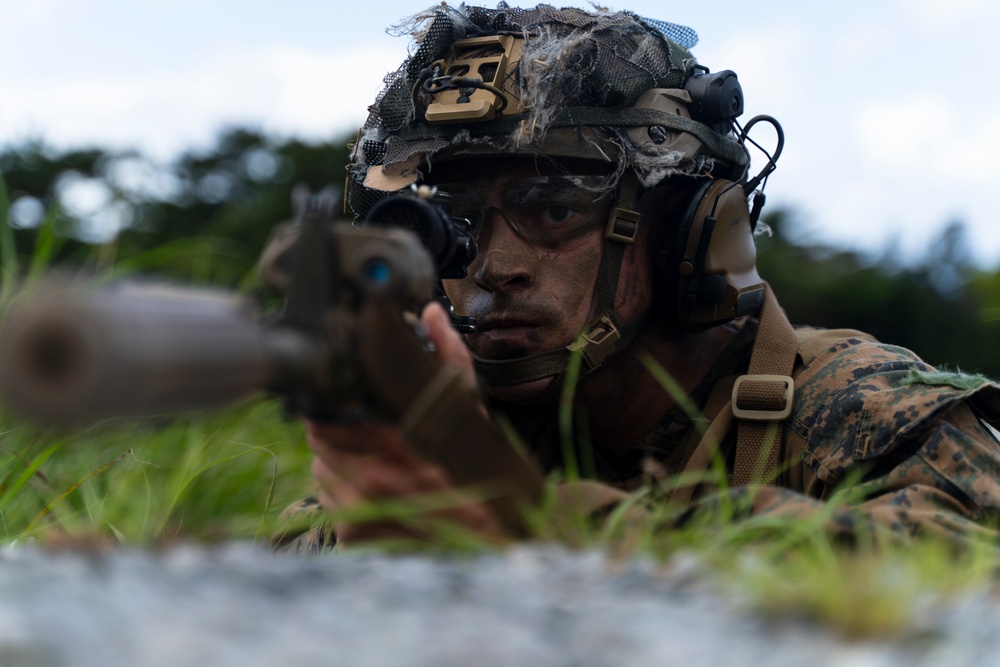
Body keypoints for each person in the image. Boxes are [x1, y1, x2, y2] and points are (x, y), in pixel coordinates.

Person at [278, 3, 1000, 552]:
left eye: (554, 208)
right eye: (457, 221)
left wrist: (521, 515)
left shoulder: (860, 406)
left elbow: (956, 567)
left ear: (687, 229)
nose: (493, 265)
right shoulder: (463, 413)